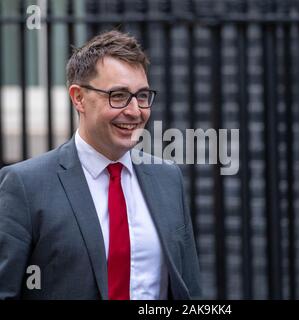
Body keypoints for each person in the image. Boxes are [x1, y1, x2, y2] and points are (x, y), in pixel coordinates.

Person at [0, 30, 201, 300]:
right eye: (118, 95)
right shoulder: (26, 185)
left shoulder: (168, 178)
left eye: (142, 96)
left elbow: (189, 290)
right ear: (78, 98)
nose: (134, 111)